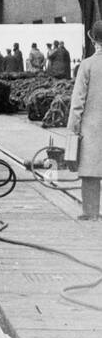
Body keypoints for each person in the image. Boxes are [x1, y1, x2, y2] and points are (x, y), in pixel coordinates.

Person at [67, 22, 102, 221]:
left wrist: (73, 129)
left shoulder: (87, 65)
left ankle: (91, 212)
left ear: (92, 39)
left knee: (90, 174)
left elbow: (77, 102)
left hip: (92, 128)